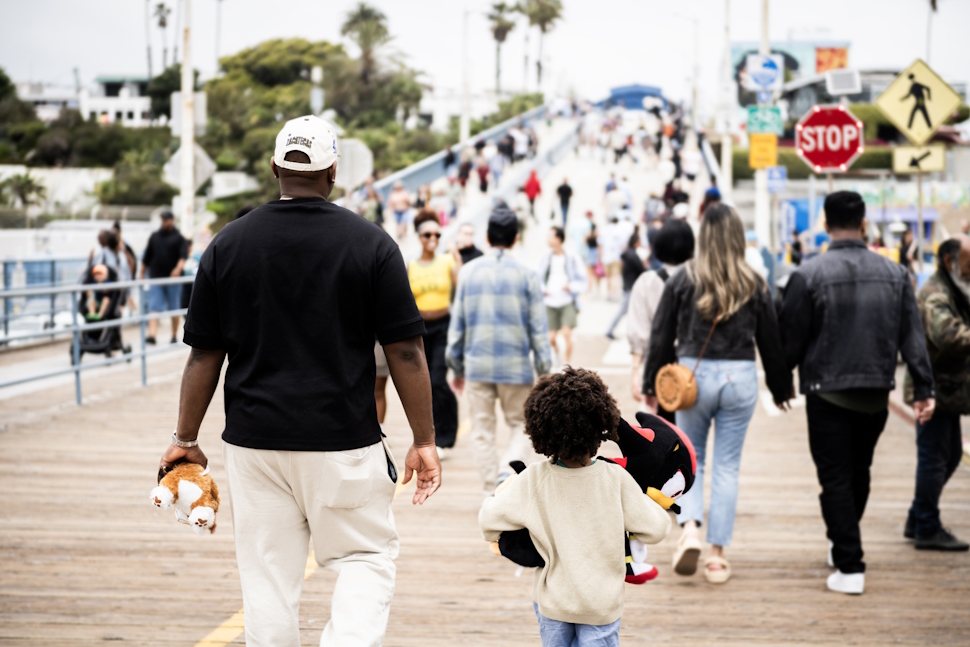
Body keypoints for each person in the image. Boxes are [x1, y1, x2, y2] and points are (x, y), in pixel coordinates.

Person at [159, 115, 441, 646]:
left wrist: (185, 441)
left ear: (274, 169)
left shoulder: (227, 244)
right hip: (343, 442)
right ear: (333, 170)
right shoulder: (372, 245)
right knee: (366, 555)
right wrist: (423, 440)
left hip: (254, 444)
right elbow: (405, 349)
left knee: (266, 579)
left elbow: (204, 356)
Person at [779, 191, 935, 595]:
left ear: (826, 225)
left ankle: (849, 564)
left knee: (835, 478)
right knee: (858, 472)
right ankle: (842, 539)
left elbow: (790, 341)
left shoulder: (808, 275)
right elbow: (912, 337)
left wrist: (781, 385)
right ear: (864, 224)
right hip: (875, 395)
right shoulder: (896, 274)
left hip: (827, 394)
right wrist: (923, 387)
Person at [644, 204, 792, 586]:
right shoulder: (754, 281)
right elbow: (771, 342)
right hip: (740, 376)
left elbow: (661, 335)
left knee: (692, 460)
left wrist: (651, 386)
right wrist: (780, 388)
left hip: (693, 378)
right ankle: (717, 558)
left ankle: (690, 528)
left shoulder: (684, 279)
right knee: (727, 467)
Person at [479, 367, 671, 647]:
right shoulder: (615, 479)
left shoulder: (533, 480)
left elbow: (488, 521)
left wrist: (504, 494)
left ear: (539, 429)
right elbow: (657, 528)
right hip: (601, 606)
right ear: (602, 426)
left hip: (553, 603)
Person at [446, 206, 553, 492]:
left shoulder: (468, 272)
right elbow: (538, 329)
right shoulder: (528, 274)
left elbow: (458, 324)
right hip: (516, 367)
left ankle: (489, 488)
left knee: (482, 430)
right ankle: (508, 472)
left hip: (477, 365)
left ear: (486, 237)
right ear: (516, 238)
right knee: (522, 424)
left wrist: (455, 366)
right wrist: (544, 369)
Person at [903, 236, 970, 551]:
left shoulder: (955, 288)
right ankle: (926, 526)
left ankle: (918, 517)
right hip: (932, 389)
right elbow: (948, 335)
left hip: (946, 390)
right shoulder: (935, 294)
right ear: (950, 262)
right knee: (933, 458)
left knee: (951, 455)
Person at [628, 219, 695, 419]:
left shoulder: (646, 283)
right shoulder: (700, 281)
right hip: (694, 370)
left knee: (663, 438)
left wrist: (636, 372)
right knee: (692, 440)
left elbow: (639, 332)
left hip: (659, 372)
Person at [408, 210, 462, 458]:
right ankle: (429, 435)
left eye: (437, 234)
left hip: (443, 326)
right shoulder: (411, 265)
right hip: (420, 329)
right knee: (425, 382)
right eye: (427, 234)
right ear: (418, 236)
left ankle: (446, 436)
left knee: (439, 380)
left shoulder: (447, 261)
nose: (433, 238)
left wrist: (456, 256)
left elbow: (461, 286)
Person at [538, 226, 587, 368]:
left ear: (558, 239)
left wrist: (570, 287)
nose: (548, 239)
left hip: (566, 300)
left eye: (551, 236)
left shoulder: (571, 257)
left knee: (567, 333)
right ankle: (557, 352)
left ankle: (567, 364)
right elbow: (537, 277)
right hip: (550, 301)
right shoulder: (545, 257)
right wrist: (543, 289)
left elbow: (582, 280)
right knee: (550, 337)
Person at [141, 210, 187, 345]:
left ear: (172, 220)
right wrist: (141, 273)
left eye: (167, 219)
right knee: (153, 306)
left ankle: (173, 335)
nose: (164, 222)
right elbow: (147, 257)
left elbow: (183, 256)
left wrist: (178, 269)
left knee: (174, 308)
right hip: (156, 277)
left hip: (173, 280)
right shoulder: (154, 236)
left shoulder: (179, 238)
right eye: (163, 219)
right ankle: (152, 335)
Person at [606, 232, 645, 340]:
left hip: (629, 285)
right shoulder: (632, 255)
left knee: (631, 312)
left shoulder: (628, 254)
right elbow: (641, 270)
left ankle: (614, 330)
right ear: (636, 242)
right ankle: (609, 330)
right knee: (624, 310)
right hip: (630, 287)